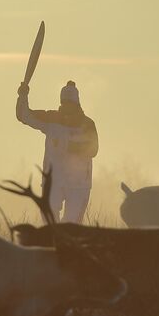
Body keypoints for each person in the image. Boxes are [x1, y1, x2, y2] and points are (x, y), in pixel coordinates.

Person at [16, 80, 99, 223]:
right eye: (64, 103)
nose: (67, 107)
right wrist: (23, 95)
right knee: (49, 222)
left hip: (78, 184)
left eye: (70, 104)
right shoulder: (51, 119)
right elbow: (24, 115)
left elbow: (93, 149)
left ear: (77, 103)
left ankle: (68, 246)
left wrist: (68, 146)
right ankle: (52, 245)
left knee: (72, 226)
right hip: (54, 180)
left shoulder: (87, 124)